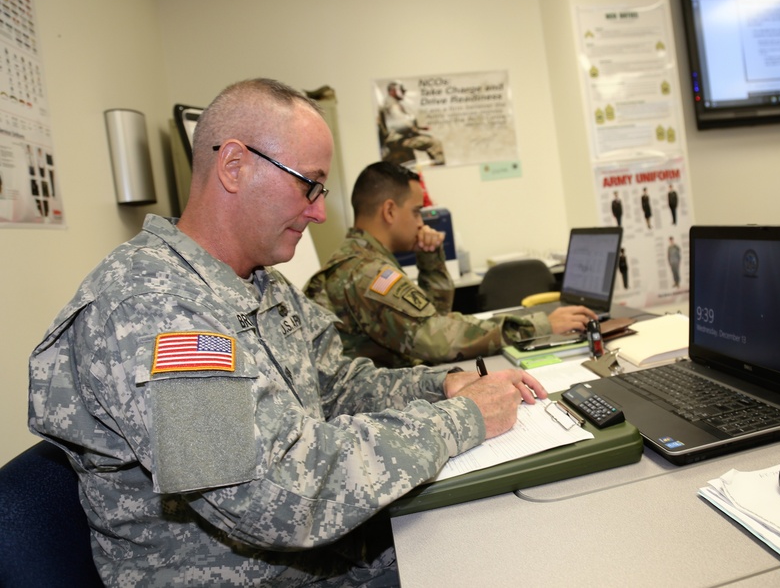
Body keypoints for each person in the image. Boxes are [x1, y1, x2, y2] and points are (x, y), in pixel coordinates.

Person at [27, 78, 546, 587]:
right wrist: (458, 421)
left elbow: (336, 386)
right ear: (234, 166)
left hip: (329, 555)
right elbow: (270, 495)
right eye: (309, 185)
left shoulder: (259, 283)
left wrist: (438, 388)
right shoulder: (152, 306)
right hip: (274, 571)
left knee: (522, 533)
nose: (320, 211)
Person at [305, 161, 597, 368]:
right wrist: (541, 325)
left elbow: (432, 317)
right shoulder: (367, 273)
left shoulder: (362, 260)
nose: (421, 222)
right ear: (390, 211)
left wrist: (430, 258)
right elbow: (438, 338)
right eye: (418, 212)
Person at [378, 81, 445, 167]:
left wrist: (419, 127)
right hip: (399, 139)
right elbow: (402, 125)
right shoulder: (391, 104)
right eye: (401, 90)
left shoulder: (389, 102)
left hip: (397, 139)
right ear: (393, 91)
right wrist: (415, 129)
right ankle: (439, 166)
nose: (404, 92)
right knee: (434, 143)